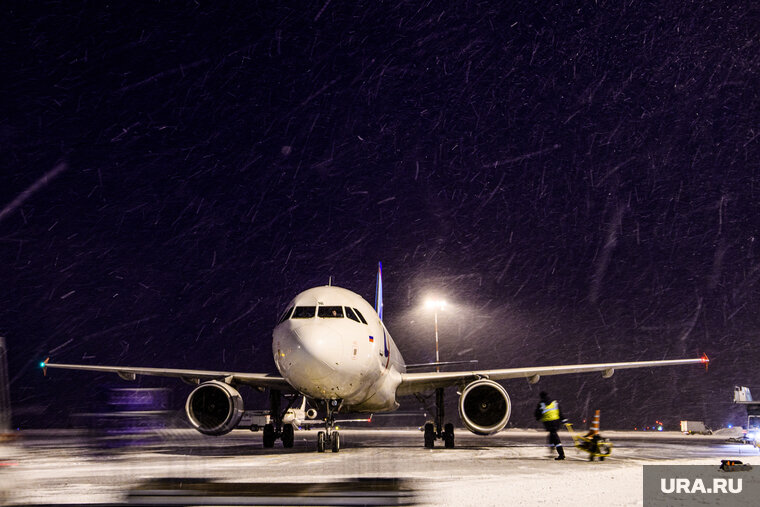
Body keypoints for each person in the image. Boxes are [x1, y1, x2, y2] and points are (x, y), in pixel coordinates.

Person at [535, 391, 566, 460]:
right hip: (556, 422)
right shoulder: (555, 402)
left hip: (548, 423)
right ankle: (552, 448)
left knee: (555, 438)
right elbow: (559, 412)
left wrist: (538, 418)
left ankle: (561, 454)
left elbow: (537, 414)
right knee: (552, 434)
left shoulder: (541, 404)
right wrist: (563, 419)